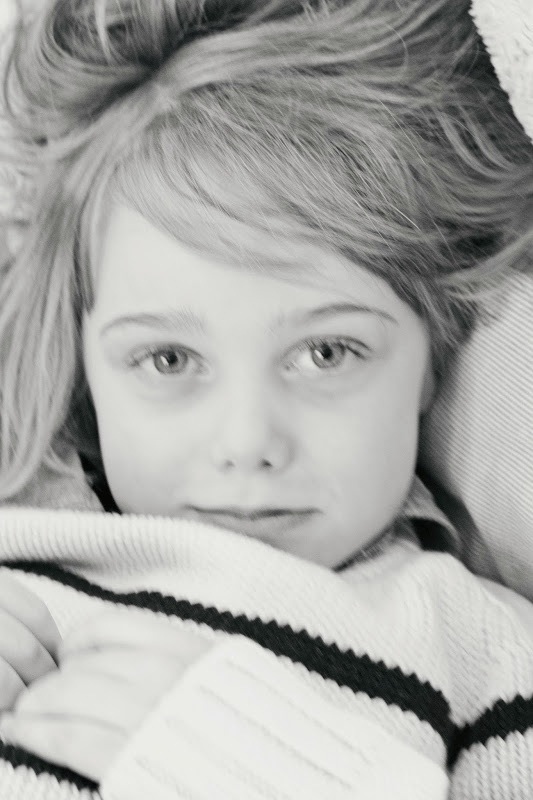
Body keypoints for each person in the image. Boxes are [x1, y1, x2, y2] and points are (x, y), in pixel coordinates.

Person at [0, 0, 532, 797]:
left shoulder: (480, 650)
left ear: (431, 355)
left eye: (326, 353)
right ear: (81, 365)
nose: (248, 441)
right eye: (168, 359)